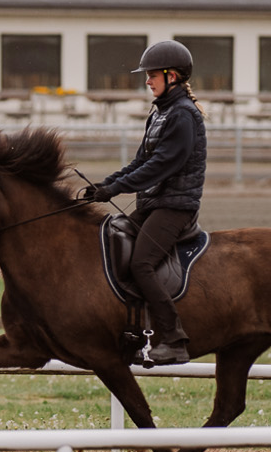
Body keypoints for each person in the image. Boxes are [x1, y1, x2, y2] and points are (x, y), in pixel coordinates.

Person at [80, 40, 207, 365]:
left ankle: (174, 339)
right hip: (153, 204)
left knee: (141, 264)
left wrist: (117, 189)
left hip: (174, 207)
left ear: (173, 76)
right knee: (110, 243)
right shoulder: (160, 114)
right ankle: (131, 333)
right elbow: (140, 161)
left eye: (152, 75)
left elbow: (162, 165)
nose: (147, 81)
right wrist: (106, 185)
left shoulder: (183, 116)